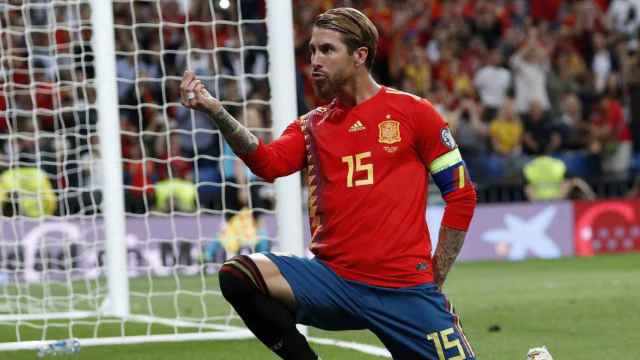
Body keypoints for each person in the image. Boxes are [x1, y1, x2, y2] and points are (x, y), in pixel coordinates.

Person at [180, 8, 477, 360]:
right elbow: (268, 163)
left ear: (359, 55)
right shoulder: (311, 126)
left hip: (405, 290)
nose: (315, 61)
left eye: (327, 50)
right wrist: (218, 112)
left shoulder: (414, 113)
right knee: (238, 274)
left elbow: (461, 195)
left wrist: (436, 275)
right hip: (333, 283)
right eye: (312, 51)